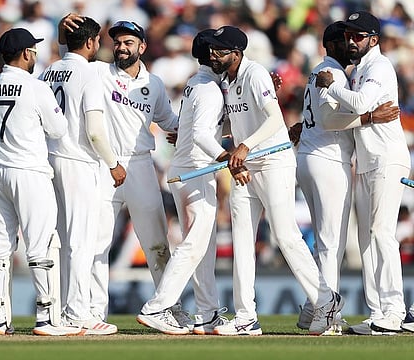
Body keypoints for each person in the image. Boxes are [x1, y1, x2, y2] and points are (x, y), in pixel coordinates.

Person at [202, 25, 343, 336]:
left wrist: (244, 145)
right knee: (241, 241)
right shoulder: (229, 80)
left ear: (236, 54)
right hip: (245, 168)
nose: (212, 55)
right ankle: (245, 317)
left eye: (218, 51)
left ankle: (325, 299)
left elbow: (274, 119)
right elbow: (237, 120)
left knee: (285, 235)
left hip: (273, 163)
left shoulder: (254, 73)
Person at [57, 15, 183, 325]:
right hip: (105, 164)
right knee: (98, 243)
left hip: (140, 164)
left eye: (128, 42)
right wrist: (63, 31)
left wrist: (189, 132)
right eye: (117, 42)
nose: (122, 47)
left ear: (142, 46)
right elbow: (68, 59)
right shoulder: (97, 71)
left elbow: (169, 121)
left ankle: (168, 307)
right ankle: (95, 312)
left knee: (156, 241)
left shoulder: (153, 83)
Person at [0, 28, 81, 336]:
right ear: (26, 54)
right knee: (41, 243)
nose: (35, 54)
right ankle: (47, 318)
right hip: (29, 172)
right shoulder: (35, 87)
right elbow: (58, 129)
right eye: (33, 50)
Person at [295, 22, 400, 335]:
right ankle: (323, 314)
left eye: (356, 37)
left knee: (352, 239)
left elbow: (322, 116)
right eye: (345, 39)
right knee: (333, 244)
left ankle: (317, 309)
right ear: (332, 45)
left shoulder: (336, 73)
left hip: (323, 159)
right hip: (330, 161)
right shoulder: (336, 74)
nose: (350, 44)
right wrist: (368, 118)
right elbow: (329, 119)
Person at [136, 29, 230, 335]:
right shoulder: (209, 90)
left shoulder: (195, 83)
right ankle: (157, 307)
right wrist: (226, 159)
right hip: (196, 172)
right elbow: (203, 134)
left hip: (184, 170)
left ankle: (208, 313)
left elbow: (194, 128)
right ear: (213, 56)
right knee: (193, 246)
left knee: (203, 247)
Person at [40, 16, 125, 335]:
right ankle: (77, 312)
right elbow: (95, 131)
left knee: (60, 239)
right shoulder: (89, 74)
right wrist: (113, 162)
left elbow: (65, 53)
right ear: (91, 42)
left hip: (51, 159)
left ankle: (62, 309)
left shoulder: (50, 70)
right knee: (81, 240)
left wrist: (63, 33)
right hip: (79, 161)